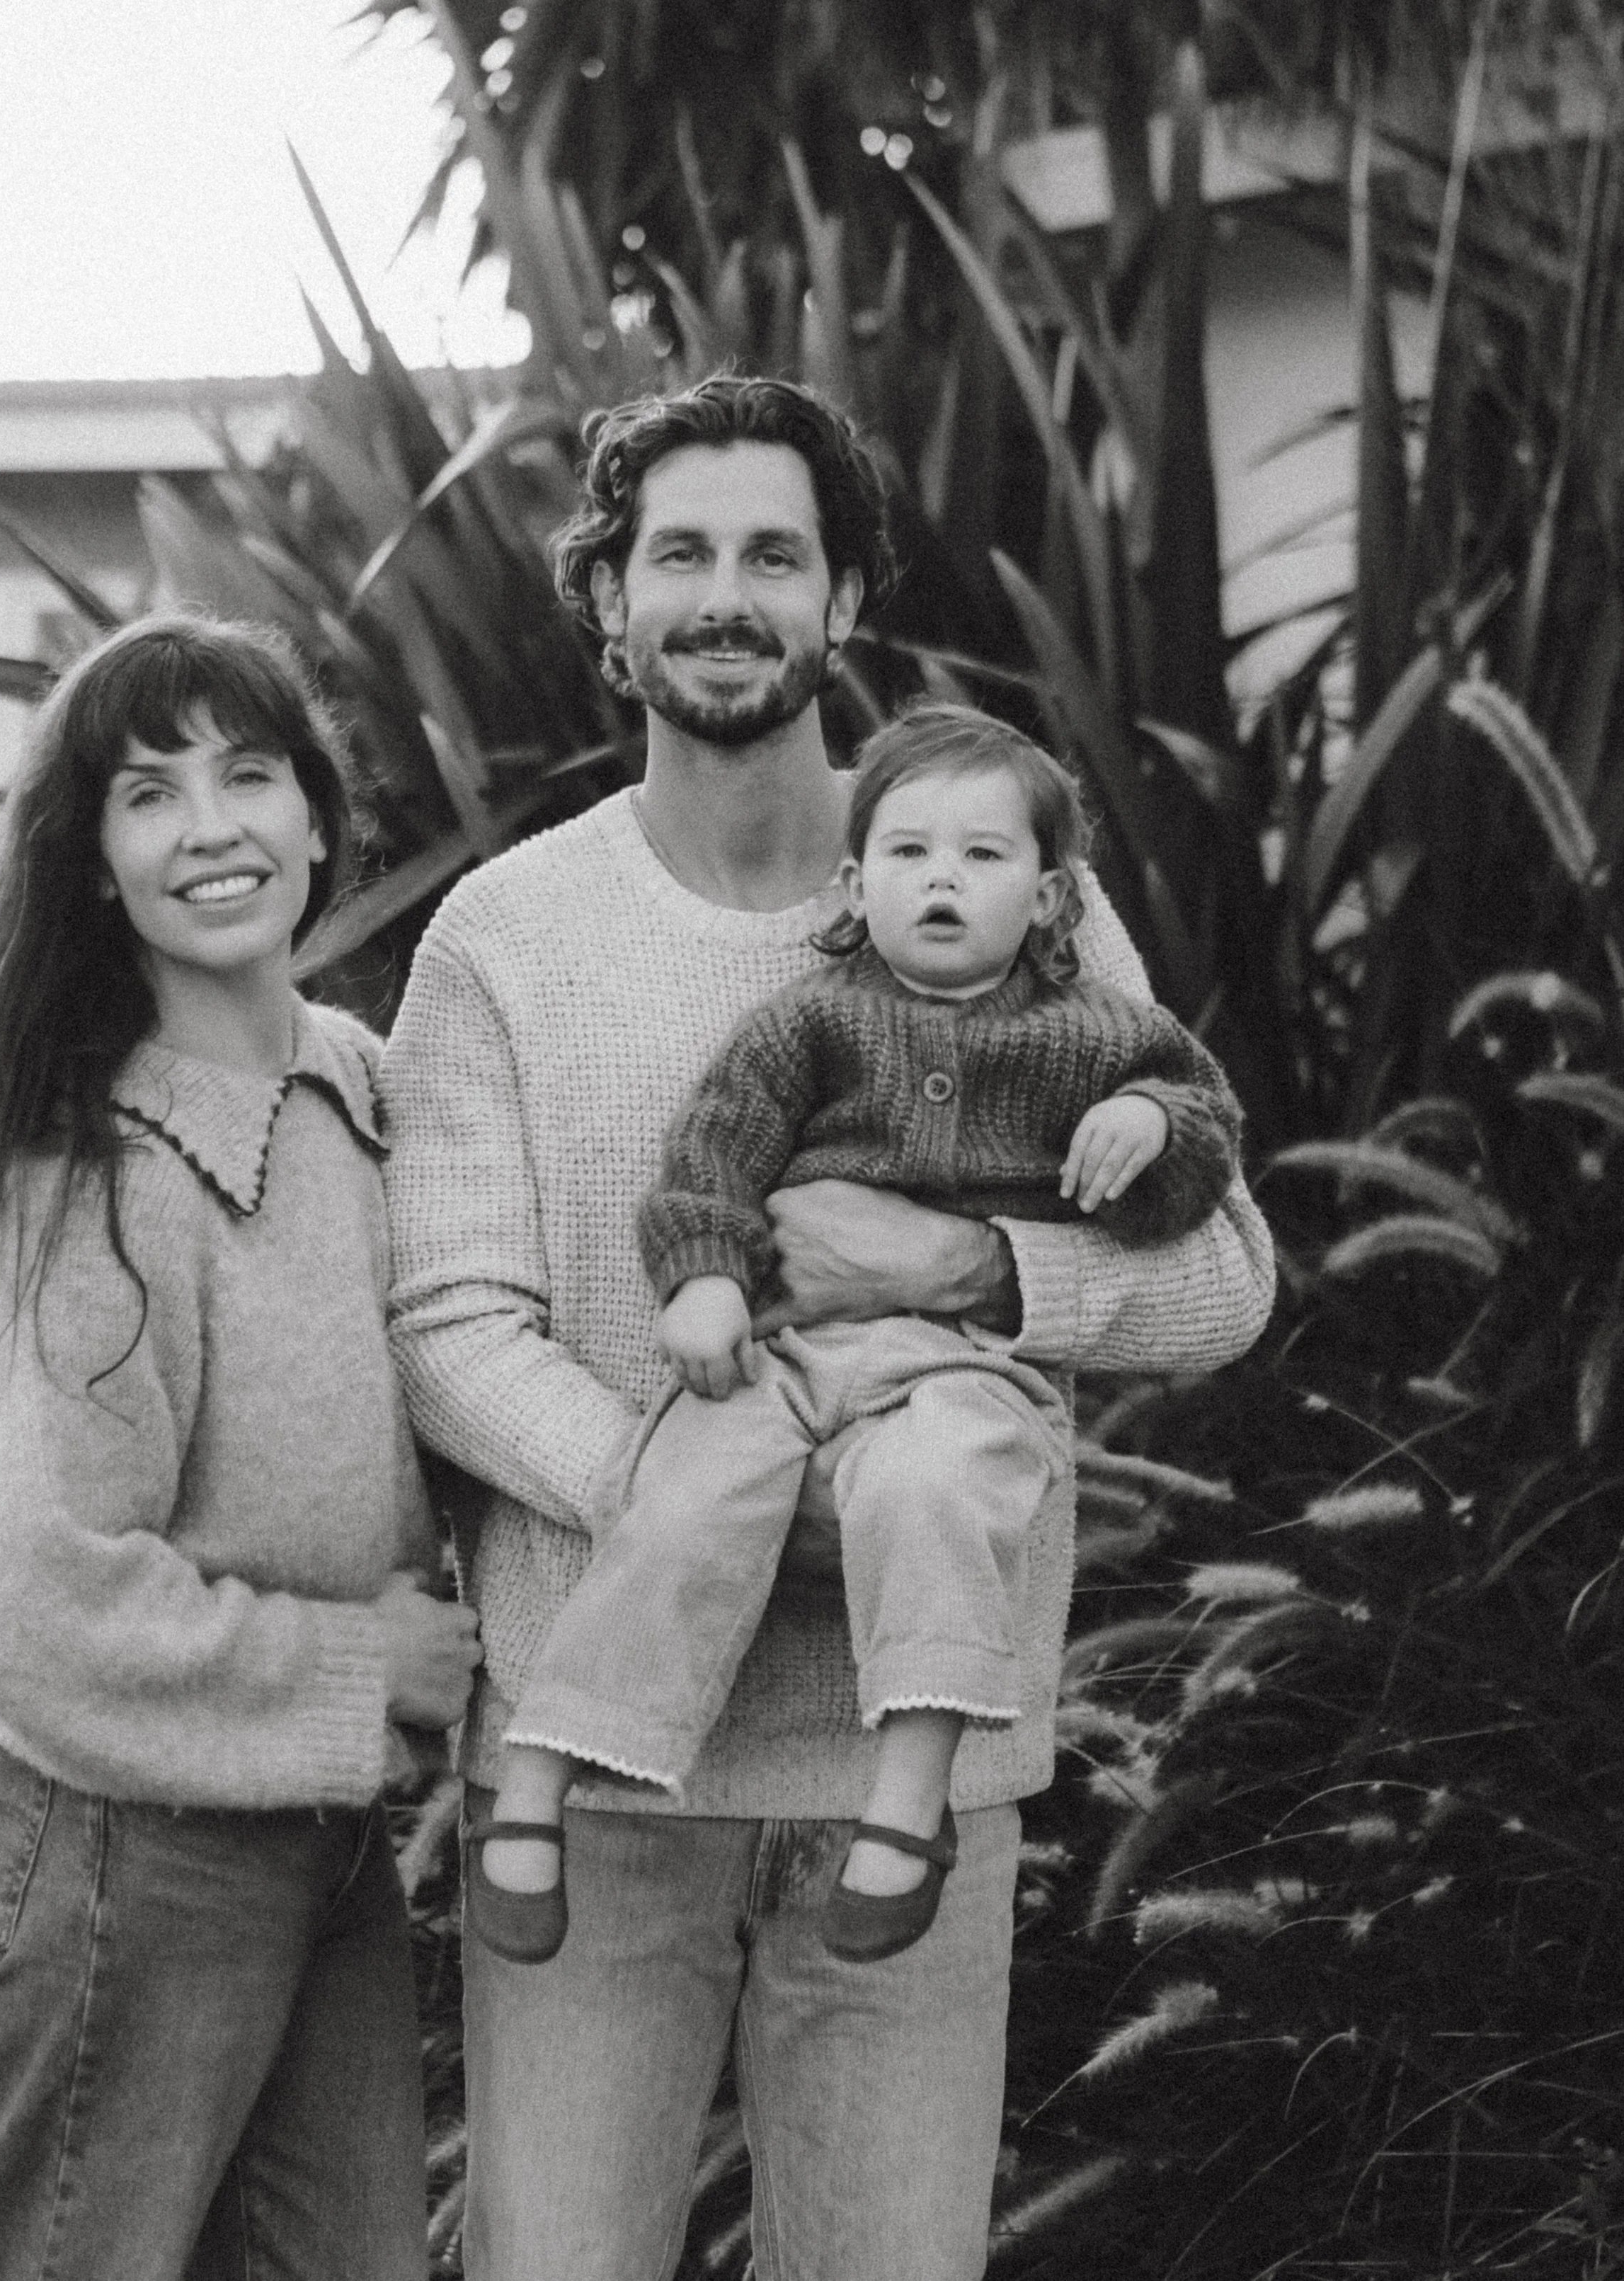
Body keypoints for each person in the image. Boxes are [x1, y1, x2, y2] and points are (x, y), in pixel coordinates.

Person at [380, 373, 1276, 2281]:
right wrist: (695, 1479)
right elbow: (451, 1316)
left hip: (910, 1767)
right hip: (600, 1775)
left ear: (844, 596)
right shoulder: (501, 934)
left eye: (773, 552)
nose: (726, 592)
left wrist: (972, 1276)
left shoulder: (1018, 900)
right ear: (606, 600)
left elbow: (1223, 1275)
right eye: (677, 553)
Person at [0, 614, 481, 2281]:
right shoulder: (89, 1172)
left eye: (249, 773)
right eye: (150, 795)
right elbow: (26, 1591)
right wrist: (365, 1673)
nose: (211, 825)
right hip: (118, 1857)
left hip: (325, 1837)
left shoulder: (365, 1094)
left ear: (316, 819)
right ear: (93, 868)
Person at [472, 704, 1242, 1965]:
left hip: (963, 1366)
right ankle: (545, 1770)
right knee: (686, 1489)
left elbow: (1205, 1130)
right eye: (909, 852)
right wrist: (704, 1280)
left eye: (984, 857)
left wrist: (1154, 1125)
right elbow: (711, 1155)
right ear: (854, 880)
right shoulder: (812, 1021)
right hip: (782, 1352)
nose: (943, 878)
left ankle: (908, 1799)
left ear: (1052, 901)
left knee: (941, 1490)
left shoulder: (1093, 1030)